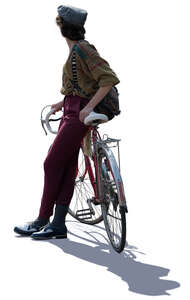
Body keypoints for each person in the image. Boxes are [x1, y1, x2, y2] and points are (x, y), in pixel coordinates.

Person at [13, 4, 120, 239]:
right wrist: (61, 104)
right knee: (67, 165)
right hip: (71, 110)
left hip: (79, 114)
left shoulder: (82, 49)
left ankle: (42, 218)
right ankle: (58, 224)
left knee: (51, 163)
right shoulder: (76, 51)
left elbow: (108, 79)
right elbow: (85, 84)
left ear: (62, 27)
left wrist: (89, 106)